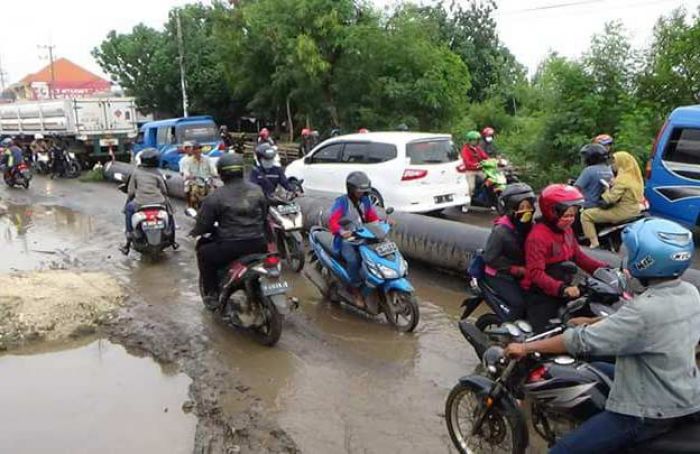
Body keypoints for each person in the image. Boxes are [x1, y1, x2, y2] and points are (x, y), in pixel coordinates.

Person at [505, 217, 700, 454]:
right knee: (596, 369)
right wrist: (594, 321)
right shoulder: (689, 292)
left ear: (647, 260)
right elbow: (649, 328)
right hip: (684, 392)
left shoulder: (643, 309)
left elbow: (580, 341)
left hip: (645, 412)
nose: (626, 258)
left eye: (631, 253)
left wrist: (526, 347)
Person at [521, 184, 607, 332]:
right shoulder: (538, 237)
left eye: (573, 215)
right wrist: (562, 289)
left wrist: (606, 269)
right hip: (541, 293)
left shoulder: (566, 231)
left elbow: (579, 257)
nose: (570, 220)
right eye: (566, 216)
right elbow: (536, 273)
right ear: (552, 213)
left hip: (564, 286)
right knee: (547, 335)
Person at [190, 153, 269, 307]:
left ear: (221, 173)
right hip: (259, 243)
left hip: (231, 247)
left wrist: (195, 231)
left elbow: (204, 225)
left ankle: (212, 294)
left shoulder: (215, 196)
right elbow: (264, 215)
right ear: (241, 170)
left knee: (204, 253)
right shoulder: (257, 190)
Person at [482, 183, 536, 321]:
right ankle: (511, 333)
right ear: (511, 209)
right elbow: (490, 258)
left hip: (525, 271)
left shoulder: (532, 227)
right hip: (499, 274)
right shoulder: (501, 231)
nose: (526, 211)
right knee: (519, 304)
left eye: (529, 207)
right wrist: (516, 269)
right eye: (521, 208)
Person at [328, 171, 380, 307]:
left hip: (363, 237)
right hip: (346, 240)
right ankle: (355, 290)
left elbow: (372, 217)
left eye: (364, 191)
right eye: (359, 191)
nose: (361, 194)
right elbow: (332, 222)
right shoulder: (341, 202)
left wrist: (383, 223)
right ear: (351, 189)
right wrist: (341, 231)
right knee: (353, 260)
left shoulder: (366, 201)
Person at [580, 151, 645, 248]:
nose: (613, 165)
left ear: (621, 163)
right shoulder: (634, 178)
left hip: (622, 212)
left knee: (585, 215)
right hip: (634, 209)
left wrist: (606, 189)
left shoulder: (622, 179)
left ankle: (594, 242)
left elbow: (610, 199)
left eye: (615, 162)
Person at [120, 148, 170, 254]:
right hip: (159, 202)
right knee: (169, 212)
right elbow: (164, 190)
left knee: (128, 209)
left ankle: (128, 237)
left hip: (140, 203)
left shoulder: (136, 172)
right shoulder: (157, 173)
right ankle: (172, 238)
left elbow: (131, 192)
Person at [575, 143, 614, 209]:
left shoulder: (589, 170)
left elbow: (576, 189)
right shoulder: (609, 170)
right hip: (604, 205)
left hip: (589, 206)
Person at [179, 141, 217, 209]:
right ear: (193, 151)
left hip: (207, 181)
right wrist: (189, 175)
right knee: (193, 192)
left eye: (199, 149)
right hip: (195, 182)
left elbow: (212, 169)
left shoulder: (207, 159)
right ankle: (191, 206)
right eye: (195, 149)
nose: (197, 151)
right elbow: (185, 171)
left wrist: (216, 174)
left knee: (214, 194)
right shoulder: (187, 160)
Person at [460, 130, 489, 212]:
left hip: (480, 170)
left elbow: (485, 157)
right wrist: (478, 165)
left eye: (477, 140)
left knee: (490, 181)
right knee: (471, 187)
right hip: (470, 171)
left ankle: (490, 201)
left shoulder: (478, 149)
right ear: (469, 140)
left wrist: (493, 161)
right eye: (474, 140)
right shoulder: (465, 150)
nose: (476, 141)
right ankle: (466, 205)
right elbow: (467, 162)